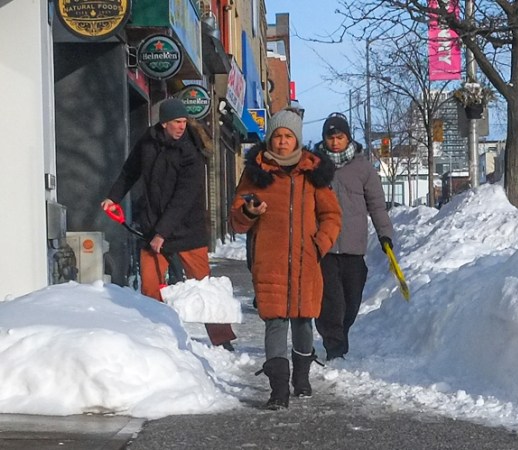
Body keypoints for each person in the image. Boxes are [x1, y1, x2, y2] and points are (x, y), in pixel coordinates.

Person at [101, 98, 236, 350]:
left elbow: (184, 198)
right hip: (152, 228)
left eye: (184, 121)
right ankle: (155, 338)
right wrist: (113, 197)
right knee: (151, 289)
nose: (182, 126)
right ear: (163, 123)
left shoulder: (191, 151)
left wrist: (162, 232)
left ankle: (223, 340)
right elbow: (130, 171)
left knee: (204, 286)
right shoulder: (148, 142)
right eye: (176, 122)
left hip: (187, 230)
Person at [229, 110, 342, 410]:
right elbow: (236, 219)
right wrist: (249, 212)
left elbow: (331, 216)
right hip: (270, 261)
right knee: (275, 322)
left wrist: (319, 245)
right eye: (277, 136)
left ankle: (301, 377)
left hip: (307, 261)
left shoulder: (313, 173)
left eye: (287, 136)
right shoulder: (256, 172)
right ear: (270, 138)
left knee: (304, 322)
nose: (281, 142)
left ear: (297, 140)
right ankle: (278, 389)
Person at [314, 112, 394, 361]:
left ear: (348, 138)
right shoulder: (315, 166)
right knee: (331, 301)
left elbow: (377, 205)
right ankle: (334, 345)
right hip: (324, 246)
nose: (335, 142)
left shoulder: (362, 168)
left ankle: (340, 334)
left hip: (354, 245)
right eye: (331, 137)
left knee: (351, 301)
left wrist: (385, 235)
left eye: (340, 137)